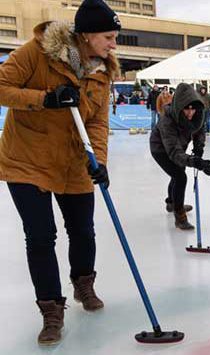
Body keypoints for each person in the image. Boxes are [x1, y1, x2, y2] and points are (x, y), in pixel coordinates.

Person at [0, 0, 120, 345]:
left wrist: (98, 160)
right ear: (86, 36)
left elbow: (97, 121)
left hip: (73, 160)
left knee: (83, 229)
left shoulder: (103, 70)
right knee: (40, 236)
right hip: (27, 159)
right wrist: (46, 98)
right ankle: (51, 310)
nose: (114, 45)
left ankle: (84, 283)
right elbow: (2, 88)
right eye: (108, 37)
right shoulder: (35, 53)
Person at [149, 83, 210, 230]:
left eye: (193, 109)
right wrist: (195, 162)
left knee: (177, 173)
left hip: (179, 147)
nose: (190, 113)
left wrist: (198, 148)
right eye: (186, 108)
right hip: (161, 149)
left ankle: (171, 203)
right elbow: (173, 152)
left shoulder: (197, 113)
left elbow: (199, 130)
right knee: (180, 176)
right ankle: (179, 216)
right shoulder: (167, 120)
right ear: (179, 106)